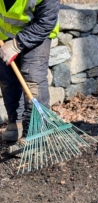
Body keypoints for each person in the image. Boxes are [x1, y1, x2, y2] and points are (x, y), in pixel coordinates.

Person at [0, 0, 60, 155]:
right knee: (7, 79)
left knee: (33, 77)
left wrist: (16, 45)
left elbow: (46, 20)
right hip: (4, 33)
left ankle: (36, 132)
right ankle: (16, 123)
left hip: (37, 33)